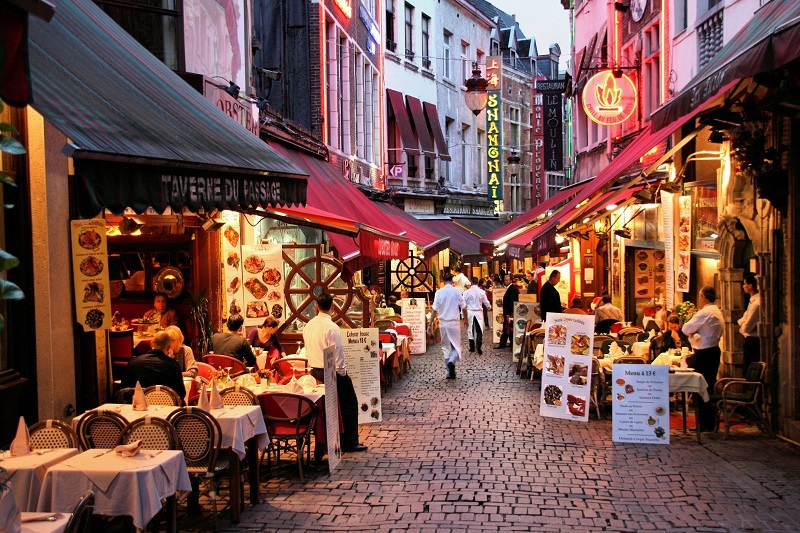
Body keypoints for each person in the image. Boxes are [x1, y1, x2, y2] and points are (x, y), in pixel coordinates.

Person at [303, 293, 367, 452]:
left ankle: (334, 439)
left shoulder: (308, 325)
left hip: (314, 372)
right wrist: (342, 373)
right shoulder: (332, 328)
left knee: (332, 407)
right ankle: (349, 442)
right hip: (331, 372)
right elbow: (338, 354)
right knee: (350, 404)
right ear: (332, 307)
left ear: (317, 307)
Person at [682, 286, 725, 432]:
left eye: (700, 297)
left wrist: (693, 333)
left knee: (701, 387)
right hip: (713, 351)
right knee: (708, 385)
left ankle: (704, 423)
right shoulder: (717, 311)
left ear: (703, 297)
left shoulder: (705, 312)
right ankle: (709, 422)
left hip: (704, 354)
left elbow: (686, 328)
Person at [123, 330, 186, 400]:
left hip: (138, 407)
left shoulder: (133, 363)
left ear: (151, 344)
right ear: (169, 348)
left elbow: (123, 390)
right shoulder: (173, 365)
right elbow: (181, 394)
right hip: (166, 407)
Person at [428, 273, 466, 379]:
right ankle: (451, 361)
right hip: (454, 322)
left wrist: (430, 323)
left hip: (443, 323)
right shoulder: (457, 291)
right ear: (452, 281)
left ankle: (449, 371)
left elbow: (434, 309)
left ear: (443, 281)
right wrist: (466, 319)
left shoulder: (439, 292)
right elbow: (464, 307)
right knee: (456, 345)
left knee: (445, 347)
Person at [738, 272, 761, 369]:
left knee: (749, 369)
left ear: (750, 286)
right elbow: (741, 320)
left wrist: (743, 323)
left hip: (753, 342)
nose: (743, 286)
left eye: (744, 284)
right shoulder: (752, 301)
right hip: (750, 340)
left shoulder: (757, 303)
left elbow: (746, 327)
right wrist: (743, 321)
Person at [464, 276, 491, 355]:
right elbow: (486, 302)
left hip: (469, 312)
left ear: (471, 282)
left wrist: (463, 315)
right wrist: (489, 307)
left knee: (470, 329)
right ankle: (478, 344)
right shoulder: (481, 292)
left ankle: (472, 347)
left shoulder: (466, 292)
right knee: (479, 329)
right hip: (478, 312)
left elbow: (463, 304)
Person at [496, 274, 520, 349]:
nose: (505, 281)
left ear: (510, 280)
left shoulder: (512, 289)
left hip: (510, 312)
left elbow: (512, 302)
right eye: (504, 280)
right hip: (508, 312)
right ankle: (511, 343)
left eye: (507, 280)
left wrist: (509, 313)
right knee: (509, 328)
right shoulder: (510, 288)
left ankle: (502, 343)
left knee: (507, 328)